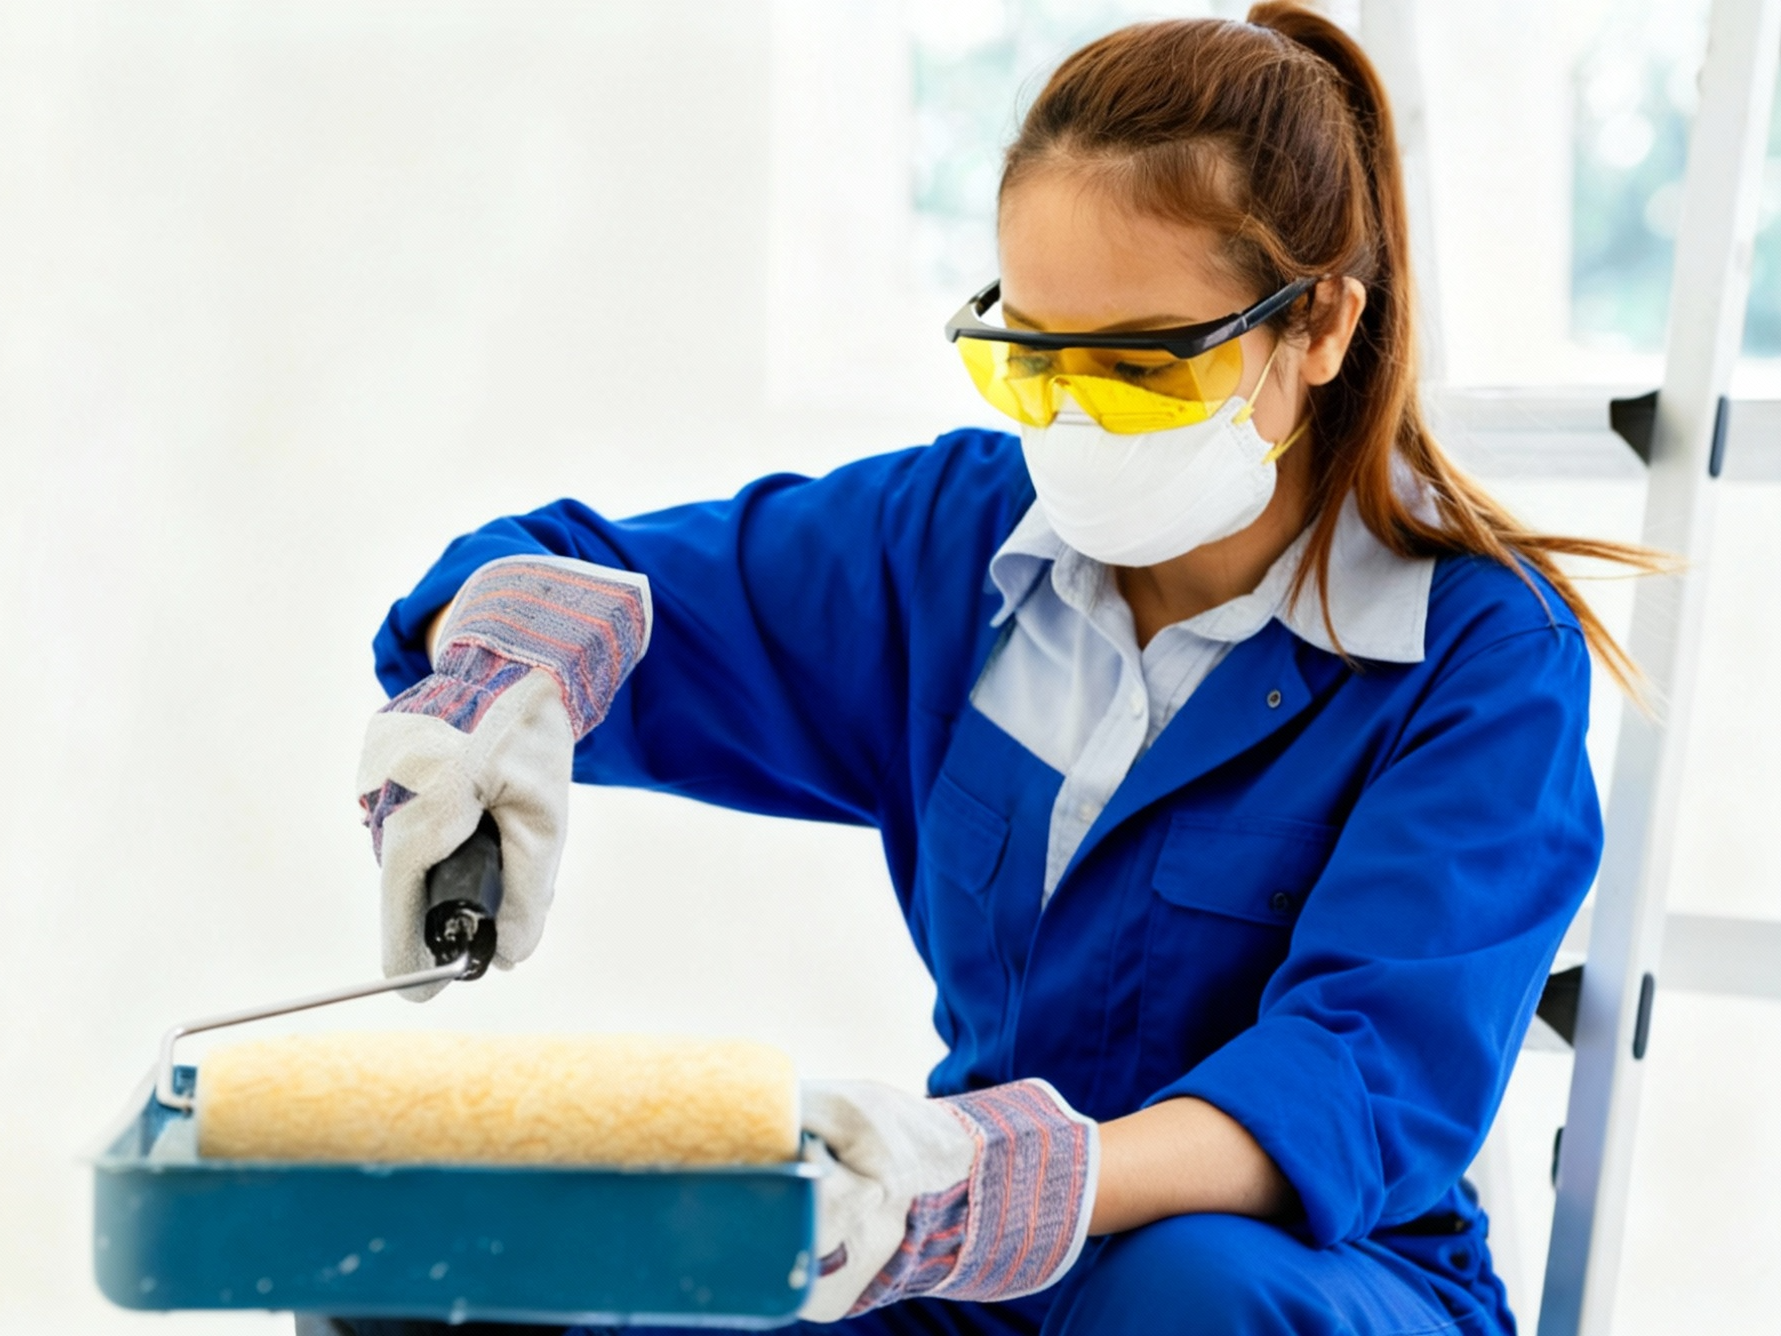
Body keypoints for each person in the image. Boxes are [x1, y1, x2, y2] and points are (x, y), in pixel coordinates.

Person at [343, 6, 1662, 1334]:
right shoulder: (959, 551)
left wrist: (992, 1177)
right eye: (1035, 360)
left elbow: (1359, 1081)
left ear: (1315, 323)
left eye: (1141, 366)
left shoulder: (1481, 661)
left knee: (1180, 1293)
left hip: (1309, 1283)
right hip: (984, 1272)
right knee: (473, 1286)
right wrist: (494, 692)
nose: (1078, 420)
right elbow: (588, 579)